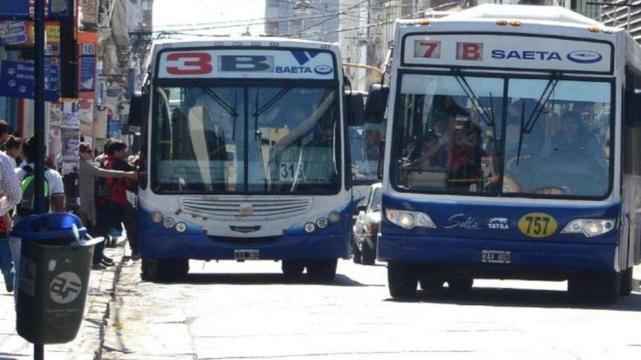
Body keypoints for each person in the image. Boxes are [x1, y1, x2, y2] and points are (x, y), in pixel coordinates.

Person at [78, 143, 136, 269]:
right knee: (99, 231)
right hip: (94, 203)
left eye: (91, 151)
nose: (91, 153)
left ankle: (97, 257)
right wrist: (129, 174)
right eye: (87, 151)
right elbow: (104, 173)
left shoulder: (96, 161)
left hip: (97, 202)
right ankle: (95, 260)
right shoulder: (84, 165)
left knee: (97, 231)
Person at [105, 140, 139, 258]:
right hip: (118, 199)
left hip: (109, 198)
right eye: (123, 151)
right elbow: (135, 171)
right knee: (132, 222)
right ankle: (135, 250)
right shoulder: (119, 163)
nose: (125, 153)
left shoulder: (105, 161)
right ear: (115, 151)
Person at [0, 151, 21, 293]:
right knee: (7, 262)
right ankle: (11, 283)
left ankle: (10, 283)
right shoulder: (2, 160)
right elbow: (14, 196)